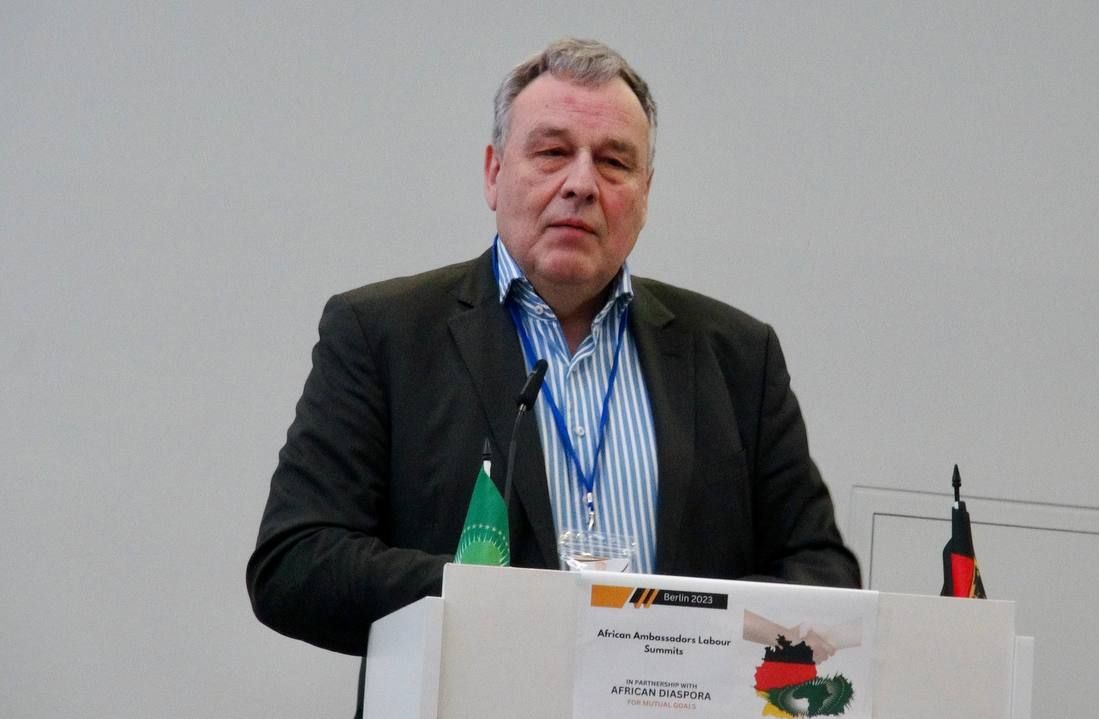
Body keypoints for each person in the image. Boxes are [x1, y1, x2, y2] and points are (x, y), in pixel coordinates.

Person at [247, 37, 860, 706]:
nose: (581, 184)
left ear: (646, 193)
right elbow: (295, 563)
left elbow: (823, 572)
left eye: (614, 162)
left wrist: (697, 625)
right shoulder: (382, 334)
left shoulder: (737, 355)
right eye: (552, 152)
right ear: (493, 173)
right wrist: (502, 601)